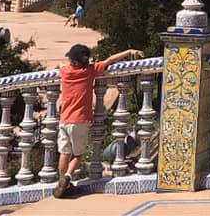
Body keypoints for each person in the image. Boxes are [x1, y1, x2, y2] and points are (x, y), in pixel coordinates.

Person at [54, 44, 143, 198]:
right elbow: (109, 60)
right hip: (80, 120)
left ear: (72, 60)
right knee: (78, 155)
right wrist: (129, 51)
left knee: (64, 152)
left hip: (64, 119)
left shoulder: (65, 72)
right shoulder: (89, 71)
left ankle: (62, 182)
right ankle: (68, 177)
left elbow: (60, 67)